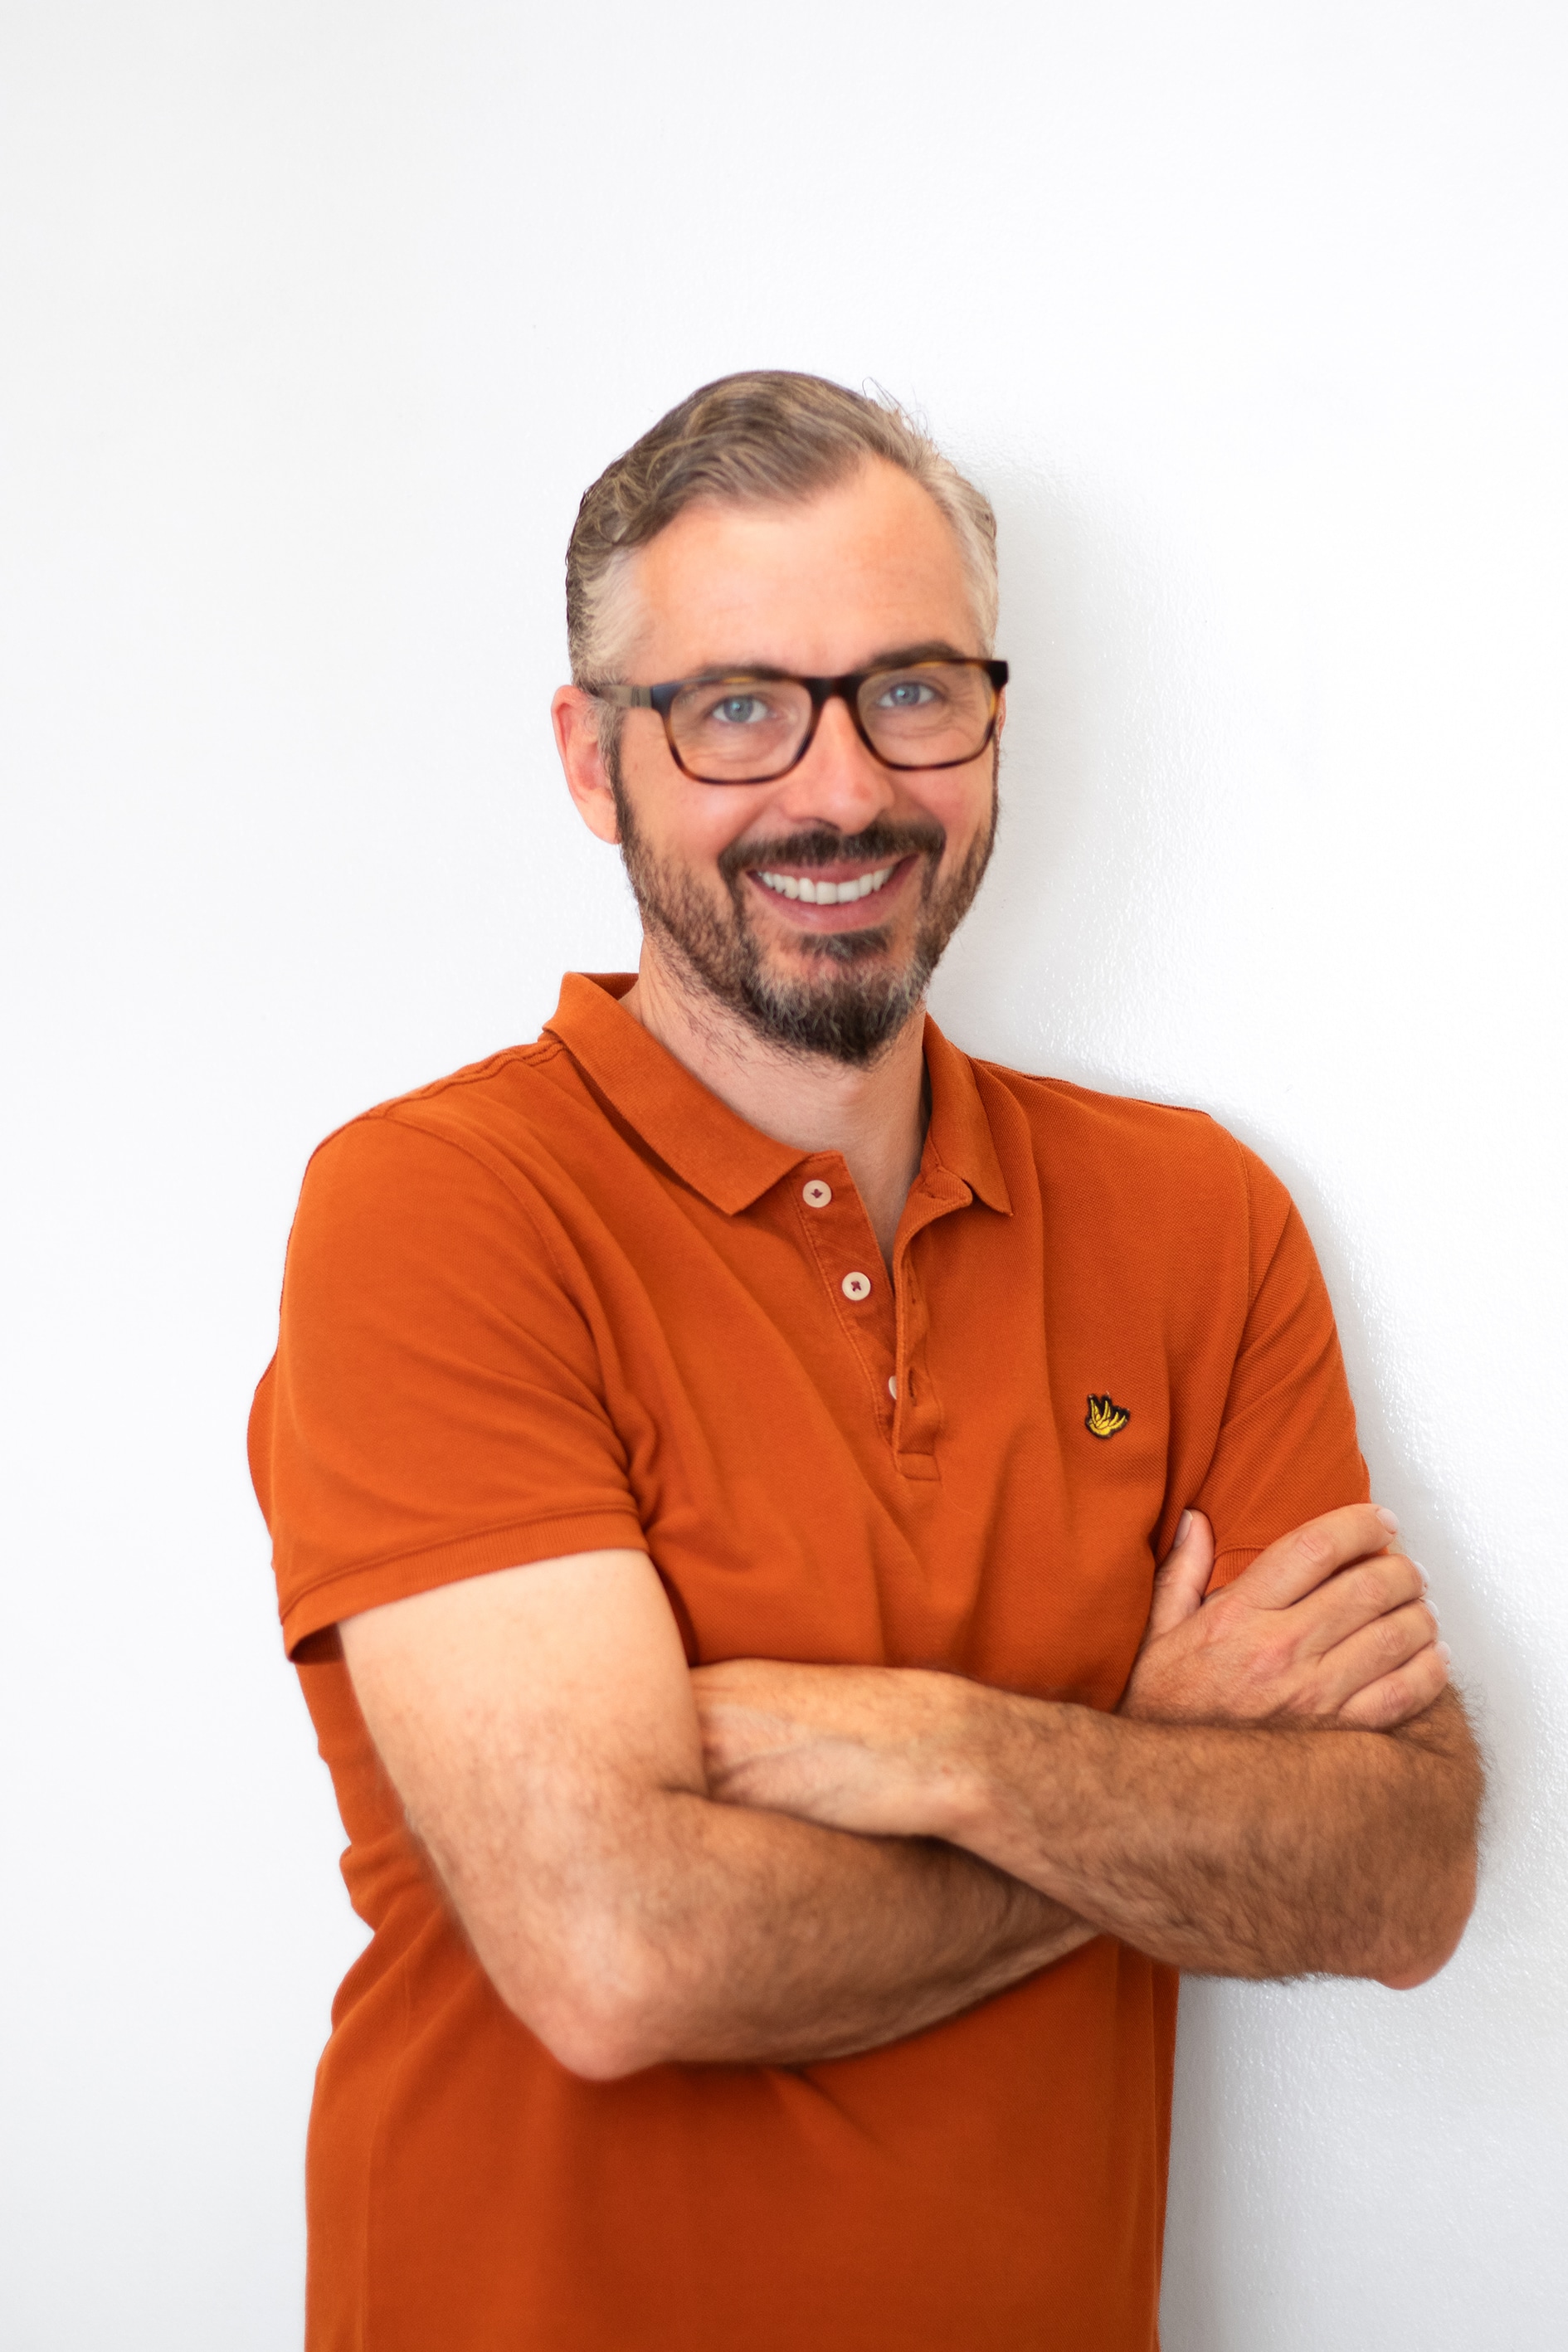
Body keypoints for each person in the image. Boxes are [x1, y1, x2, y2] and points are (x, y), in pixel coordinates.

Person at [248, 371, 1482, 2352]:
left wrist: (941, 1747)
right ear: (593, 758)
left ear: (992, 719)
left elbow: (1400, 1874)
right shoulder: (440, 1208)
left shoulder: (1198, 1216)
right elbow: (621, 1949)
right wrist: (1145, 1765)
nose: (840, 790)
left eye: (910, 689)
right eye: (739, 705)